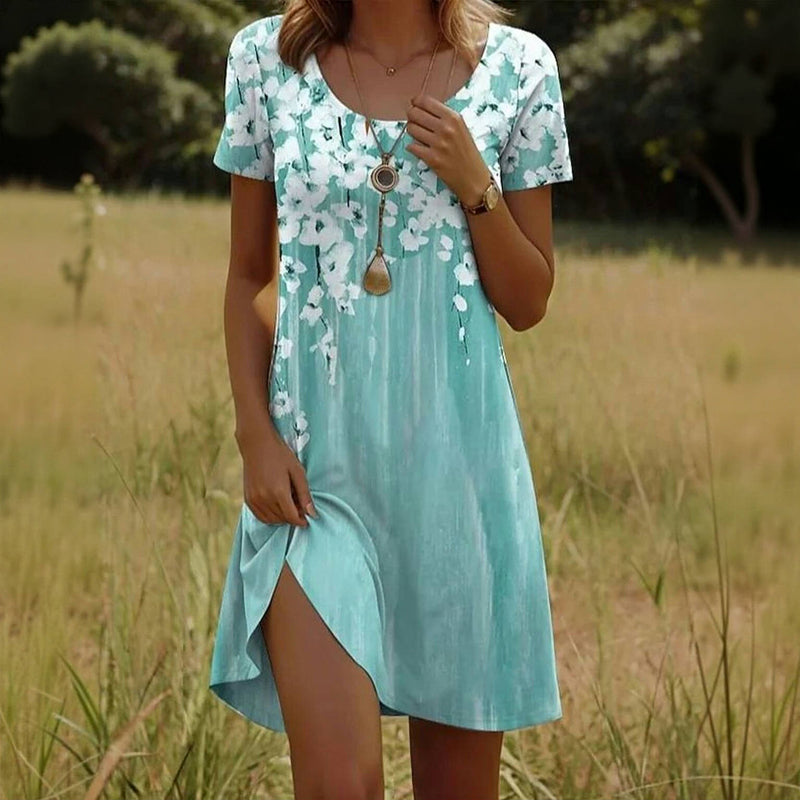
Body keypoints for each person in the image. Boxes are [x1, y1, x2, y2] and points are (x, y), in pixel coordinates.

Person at [210, 0, 573, 796]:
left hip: (462, 491)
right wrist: (254, 437)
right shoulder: (265, 60)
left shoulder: (520, 69)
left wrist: (476, 183)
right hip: (315, 488)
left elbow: (529, 301)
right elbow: (249, 276)